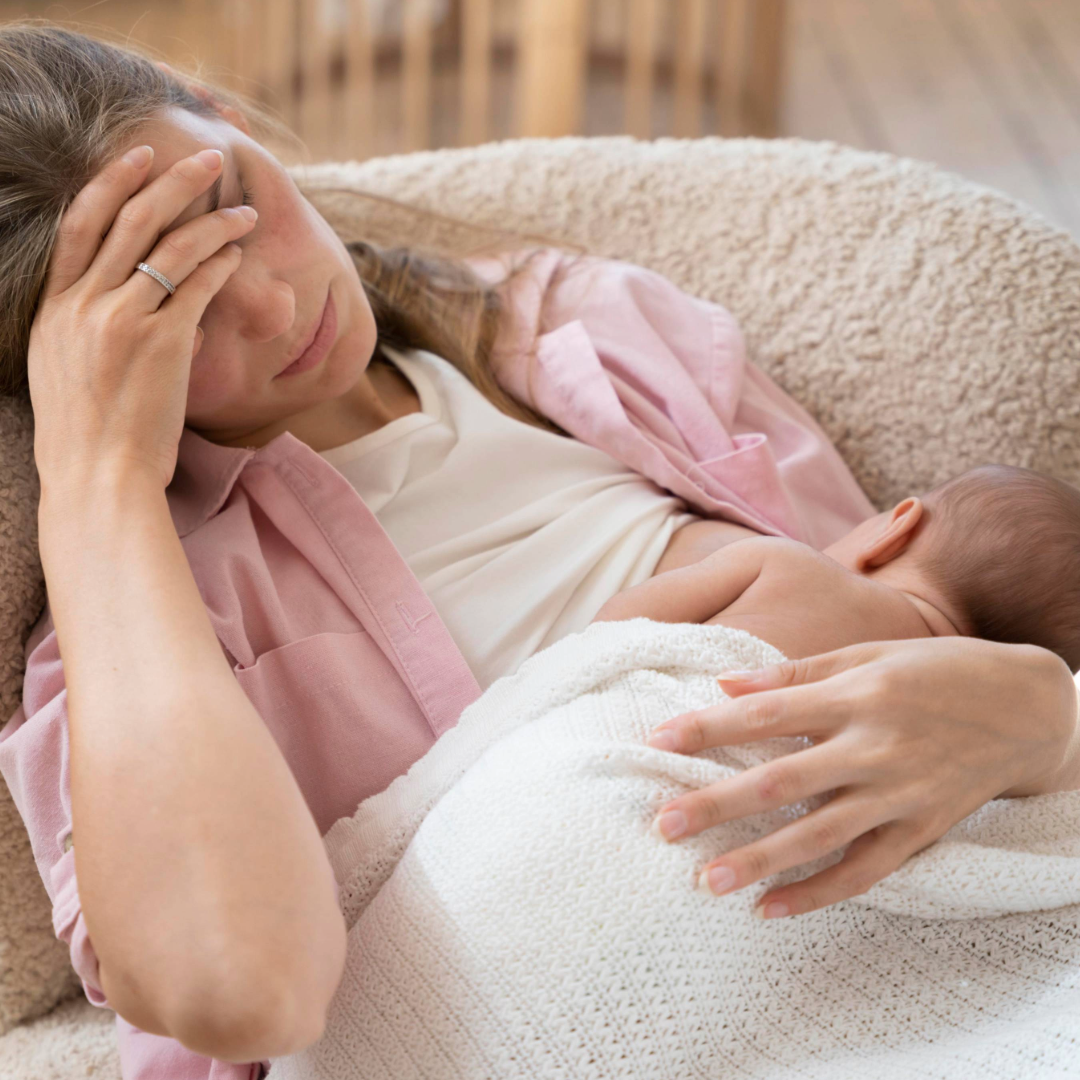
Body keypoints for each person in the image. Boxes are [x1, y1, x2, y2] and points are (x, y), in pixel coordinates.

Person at [0, 21, 1076, 1080]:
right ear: (71, 377)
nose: (275, 308)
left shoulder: (596, 336)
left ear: (228, 117)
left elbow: (893, 620)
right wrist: (98, 480)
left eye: (236, 209)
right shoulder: (145, 625)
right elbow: (245, 993)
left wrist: (1048, 721)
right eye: (178, 319)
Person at [593, 462, 1080, 906]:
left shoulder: (780, 562)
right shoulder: (963, 751)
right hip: (752, 870)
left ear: (896, 528)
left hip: (643, 758)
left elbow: (614, 631)